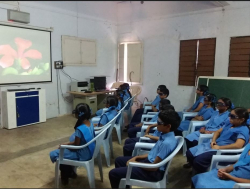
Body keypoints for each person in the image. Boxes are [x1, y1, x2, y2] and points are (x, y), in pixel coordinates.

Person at [109, 109, 181, 188]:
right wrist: (137, 157)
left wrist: (135, 163)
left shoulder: (166, 143)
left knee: (113, 173)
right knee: (119, 160)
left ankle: (124, 178)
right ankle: (125, 184)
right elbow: (152, 154)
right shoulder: (166, 135)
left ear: (168, 126)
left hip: (153, 172)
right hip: (149, 163)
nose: (156, 124)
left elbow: (154, 167)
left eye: (159, 123)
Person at [186, 107, 250, 174]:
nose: (230, 118)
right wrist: (213, 141)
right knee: (189, 153)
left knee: (199, 160)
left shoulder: (243, 130)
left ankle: (200, 173)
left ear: (242, 119)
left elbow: (238, 145)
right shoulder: (230, 124)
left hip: (224, 151)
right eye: (230, 115)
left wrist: (219, 147)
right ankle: (196, 168)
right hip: (215, 145)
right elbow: (217, 132)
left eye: (233, 116)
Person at [49, 103, 95, 185]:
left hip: (82, 154)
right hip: (90, 151)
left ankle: (67, 175)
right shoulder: (90, 122)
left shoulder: (79, 129)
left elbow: (76, 145)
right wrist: (67, 144)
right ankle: (69, 172)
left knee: (56, 154)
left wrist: (64, 146)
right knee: (65, 150)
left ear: (79, 114)